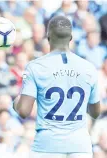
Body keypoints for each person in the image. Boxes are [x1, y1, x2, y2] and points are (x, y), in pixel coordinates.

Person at [13, 15, 100, 158]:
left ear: (48, 37)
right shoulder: (88, 68)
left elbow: (23, 111)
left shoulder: (36, 67)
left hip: (47, 146)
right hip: (80, 146)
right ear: (71, 38)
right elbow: (95, 113)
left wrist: (16, 102)